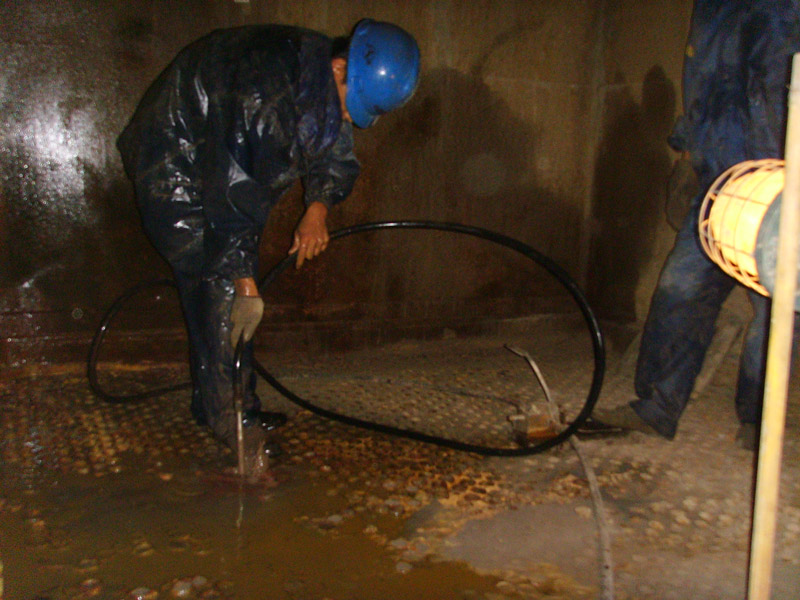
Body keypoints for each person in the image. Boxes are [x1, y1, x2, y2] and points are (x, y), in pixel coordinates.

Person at [117, 20, 420, 468]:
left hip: (223, 166)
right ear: (341, 68)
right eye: (350, 106)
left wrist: (317, 207)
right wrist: (243, 281)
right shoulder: (265, 96)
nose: (350, 118)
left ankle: (227, 404)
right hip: (176, 163)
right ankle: (232, 422)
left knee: (234, 286)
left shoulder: (323, 75)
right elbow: (230, 193)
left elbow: (334, 148)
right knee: (222, 286)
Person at [594, 0, 800, 449]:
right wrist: (688, 150)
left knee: (777, 308)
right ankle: (656, 408)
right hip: (717, 182)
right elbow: (705, 84)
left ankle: (759, 419)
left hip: (777, 182)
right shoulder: (711, 7)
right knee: (679, 290)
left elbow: (780, 84)